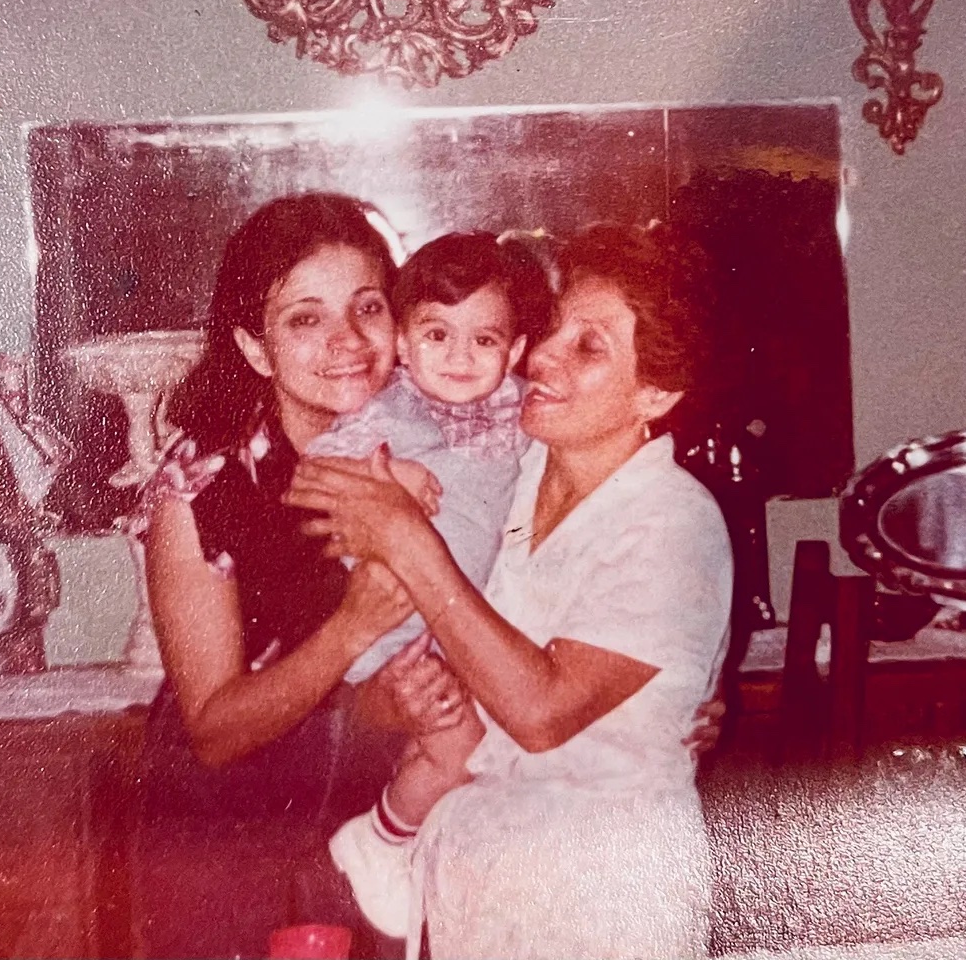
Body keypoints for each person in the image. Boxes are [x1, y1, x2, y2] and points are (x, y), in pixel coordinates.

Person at [287, 220, 734, 958]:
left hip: (603, 900)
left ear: (654, 393)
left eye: (589, 347)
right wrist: (390, 699)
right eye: (553, 330)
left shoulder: (674, 521)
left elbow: (538, 714)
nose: (545, 356)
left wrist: (406, 536)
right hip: (473, 884)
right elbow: (321, 488)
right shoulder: (513, 467)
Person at [130, 192, 432, 960]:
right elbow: (215, 730)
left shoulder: (445, 445)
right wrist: (353, 629)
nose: (348, 340)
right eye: (306, 318)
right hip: (236, 847)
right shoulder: (205, 485)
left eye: (368, 307)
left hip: (394, 830)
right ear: (256, 348)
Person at [301, 232, 552, 929]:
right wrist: (387, 474)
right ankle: (381, 839)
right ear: (404, 345)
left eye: (484, 339)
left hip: (467, 621)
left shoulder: (525, 411)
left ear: (517, 349)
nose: (461, 357)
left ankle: (420, 855)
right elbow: (312, 475)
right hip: (396, 623)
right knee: (459, 747)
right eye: (438, 335)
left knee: (460, 749)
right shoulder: (388, 413)